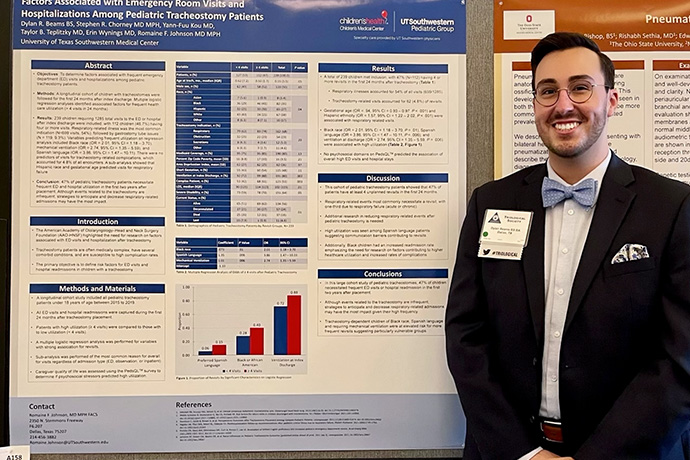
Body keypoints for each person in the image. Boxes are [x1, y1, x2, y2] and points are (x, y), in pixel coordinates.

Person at [445, 32, 690, 460]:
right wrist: (522, 452)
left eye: (580, 87)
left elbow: (680, 358)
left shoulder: (671, 207)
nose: (563, 105)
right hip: (508, 451)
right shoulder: (492, 202)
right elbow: (466, 335)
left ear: (611, 100)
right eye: (548, 91)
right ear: (536, 104)